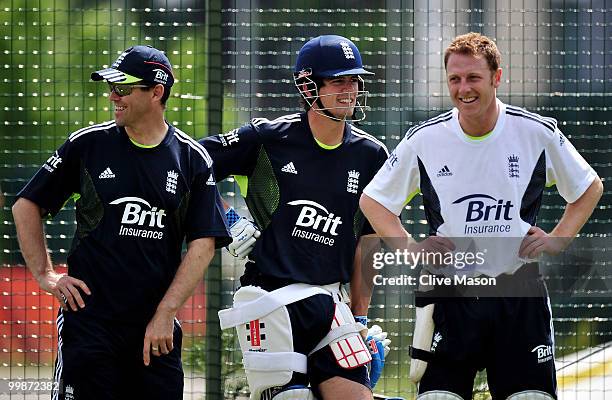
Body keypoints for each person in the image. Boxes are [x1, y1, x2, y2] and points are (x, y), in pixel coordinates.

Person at [360, 32, 603, 400]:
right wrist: (411, 248)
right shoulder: (424, 138)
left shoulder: (536, 132)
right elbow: (374, 201)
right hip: (450, 297)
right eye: (454, 79)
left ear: (497, 77)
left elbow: (589, 187)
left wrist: (558, 239)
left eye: (473, 77)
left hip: (519, 294)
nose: (463, 88)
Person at [11, 45, 231, 400]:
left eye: (123, 88)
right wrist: (46, 276)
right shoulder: (88, 145)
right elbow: (26, 205)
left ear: (156, 92)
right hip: (89, 324)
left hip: (155, 332)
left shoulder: (192, 158)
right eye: (111, 87)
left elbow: (203, 244)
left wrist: (166, 313)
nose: (113, 96)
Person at [200, 35, 390, 400]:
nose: (350, 90)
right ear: (308, 86)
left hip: (332, 303)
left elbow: (369, 241)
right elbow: (192, 164)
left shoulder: (371, 155)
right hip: (268, 296)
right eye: (338, 81)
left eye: (354, 80)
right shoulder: (267, 138)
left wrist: (360, 317)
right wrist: (225, 219)